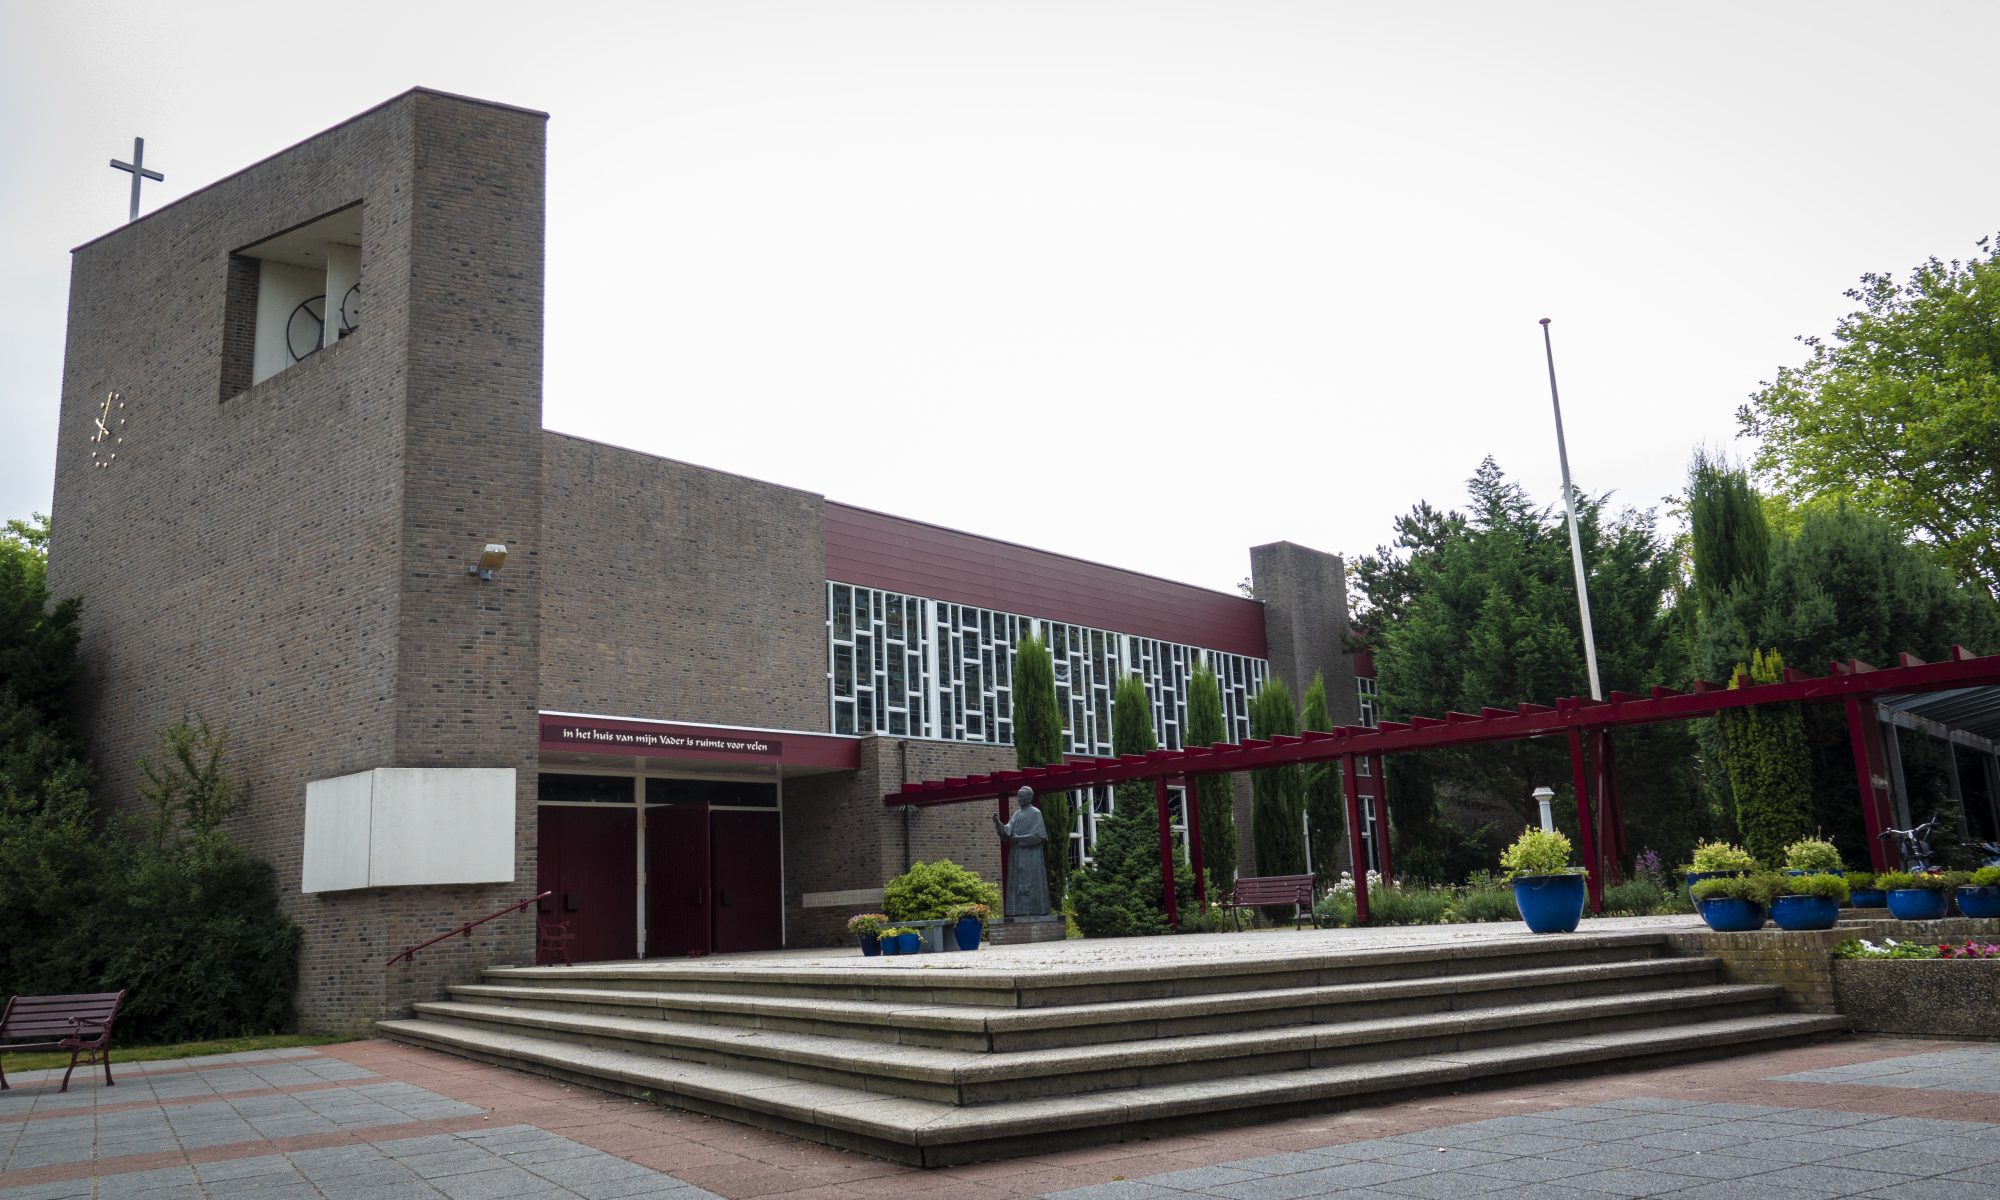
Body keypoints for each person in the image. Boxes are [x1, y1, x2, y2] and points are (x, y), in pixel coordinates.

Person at [993, 786, 1052, 917]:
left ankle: (1034, 910)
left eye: (1021, 796)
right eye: (1018, 795)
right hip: (1017, 855)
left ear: (1029, 797)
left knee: (1029, 883)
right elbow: (1007, 832)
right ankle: (1017, 912)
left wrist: (1020, 839)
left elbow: (1040, 836)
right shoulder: (1017, 813)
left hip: (1031, 857)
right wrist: (998, 824)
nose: (1018, 798)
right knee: (1017, 883)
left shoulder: (1036, 813)